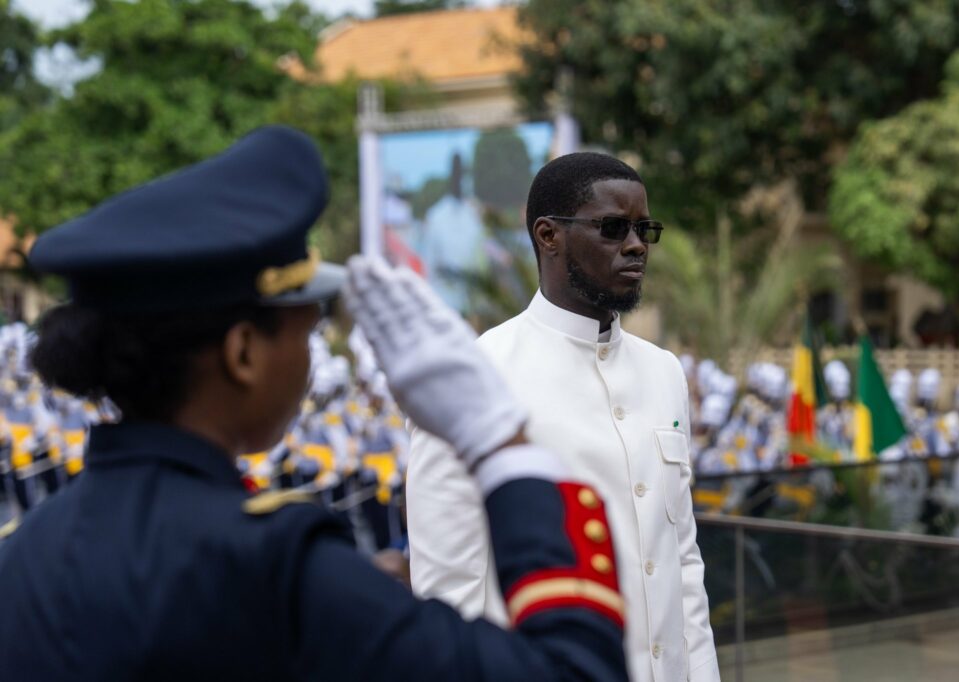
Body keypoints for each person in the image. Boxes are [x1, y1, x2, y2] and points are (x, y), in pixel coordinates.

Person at [0, 127, 630, 681]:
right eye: (304, 332)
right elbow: (576, 669)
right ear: (244, 353)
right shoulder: (275, 571)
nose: (309, 356)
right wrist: (500, 446)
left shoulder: (24, 554)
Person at [406, 152, 720, 682]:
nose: (636, 245)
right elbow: (449, 594)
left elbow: (681, 559)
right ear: (548, 236)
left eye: (645, 230)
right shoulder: (477, 378)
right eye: (613, 228)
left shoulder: (663, 372)